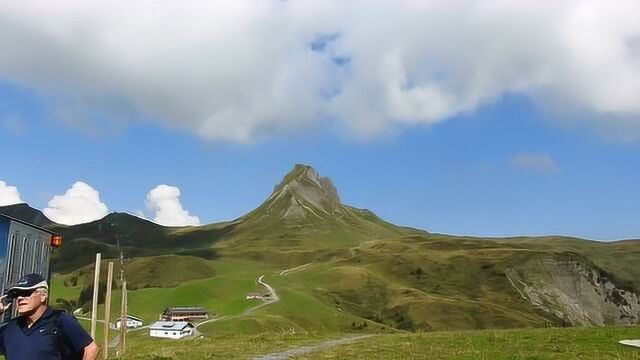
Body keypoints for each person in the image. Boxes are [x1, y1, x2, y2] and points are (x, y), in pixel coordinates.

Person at [0, 273, 100, 360]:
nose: (20, 298)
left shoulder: (59, 320)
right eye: (17, 295)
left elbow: (91, 348)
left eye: (26, 293)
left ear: (43, 296)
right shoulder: (11, 328)